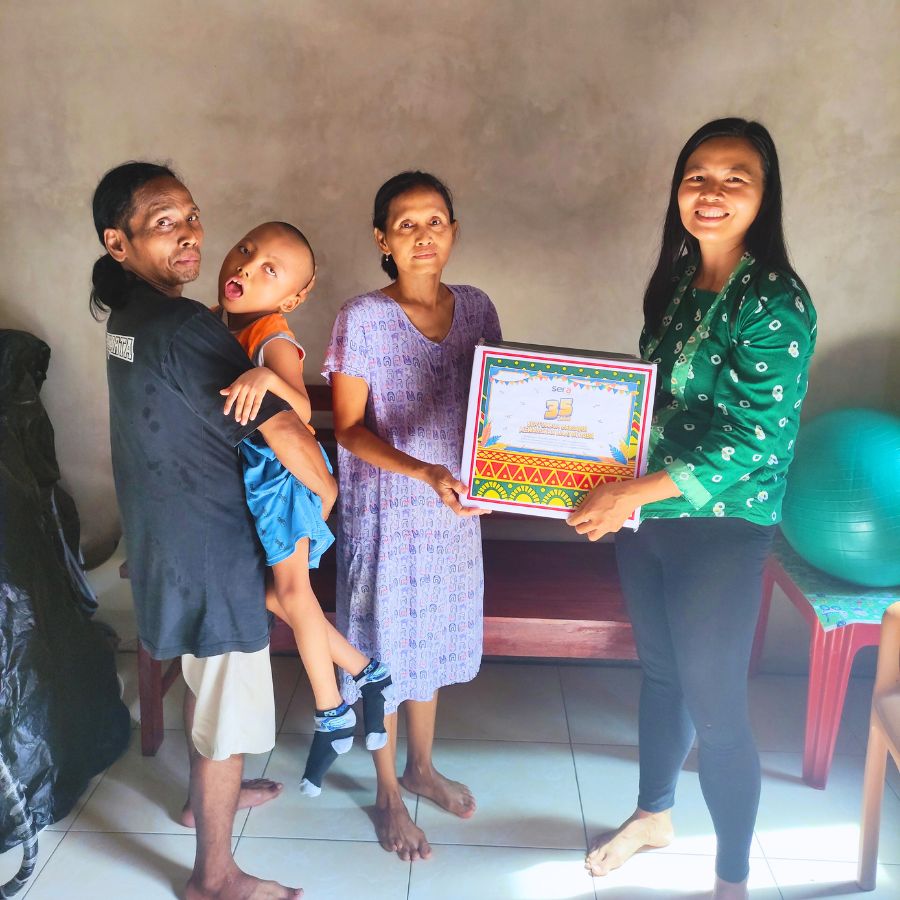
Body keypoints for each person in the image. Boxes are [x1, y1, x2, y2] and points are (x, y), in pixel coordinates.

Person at [568, 119, 817, 900]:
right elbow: (652, 404)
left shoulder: (775, 302)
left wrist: (628, 493)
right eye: (697, 175)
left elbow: (753, 443)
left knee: (717, 710)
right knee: (661, 676)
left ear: (765, 194)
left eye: (734, 177)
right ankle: (654, 814)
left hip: (722, 527)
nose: (711, 193)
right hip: (651, 518)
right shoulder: (679, 282)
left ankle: (733, 881)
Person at [92, 162, 336, 900]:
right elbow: (283, 425)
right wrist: (326, 491)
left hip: (165, 536)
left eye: (192, 216)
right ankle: (216, 877)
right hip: (207, 544)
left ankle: (206, 801)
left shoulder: (130, 320)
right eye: (165, 221)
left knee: (205, 675)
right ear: (119, 242)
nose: (192, 234)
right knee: (226, 711)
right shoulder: (186, 325)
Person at [322, 171, 502, 861]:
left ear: (452, 231)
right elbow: (348, 429)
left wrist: (510, 476)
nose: (423, 234)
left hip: (456, 511)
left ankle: (421, 767)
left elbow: (497, 409)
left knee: (427, 639)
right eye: (406, 224)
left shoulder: (480, 307)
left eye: (436, 220)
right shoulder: (361, 317)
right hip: (389, 512)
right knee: (383, 647)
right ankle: (387, 794)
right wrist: (422, 471)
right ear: (382, 241)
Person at [212, 221, 393, 796]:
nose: (246, 267)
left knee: (291, 594)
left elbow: (298, 412)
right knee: (271, 593)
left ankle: (331, 713)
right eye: (246, 251)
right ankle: (367, 671)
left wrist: (268, 373)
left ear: (292, 297)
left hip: (283, 476)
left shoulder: (273, 336)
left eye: (270, 269)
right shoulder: (217, 324)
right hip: (262, 476)